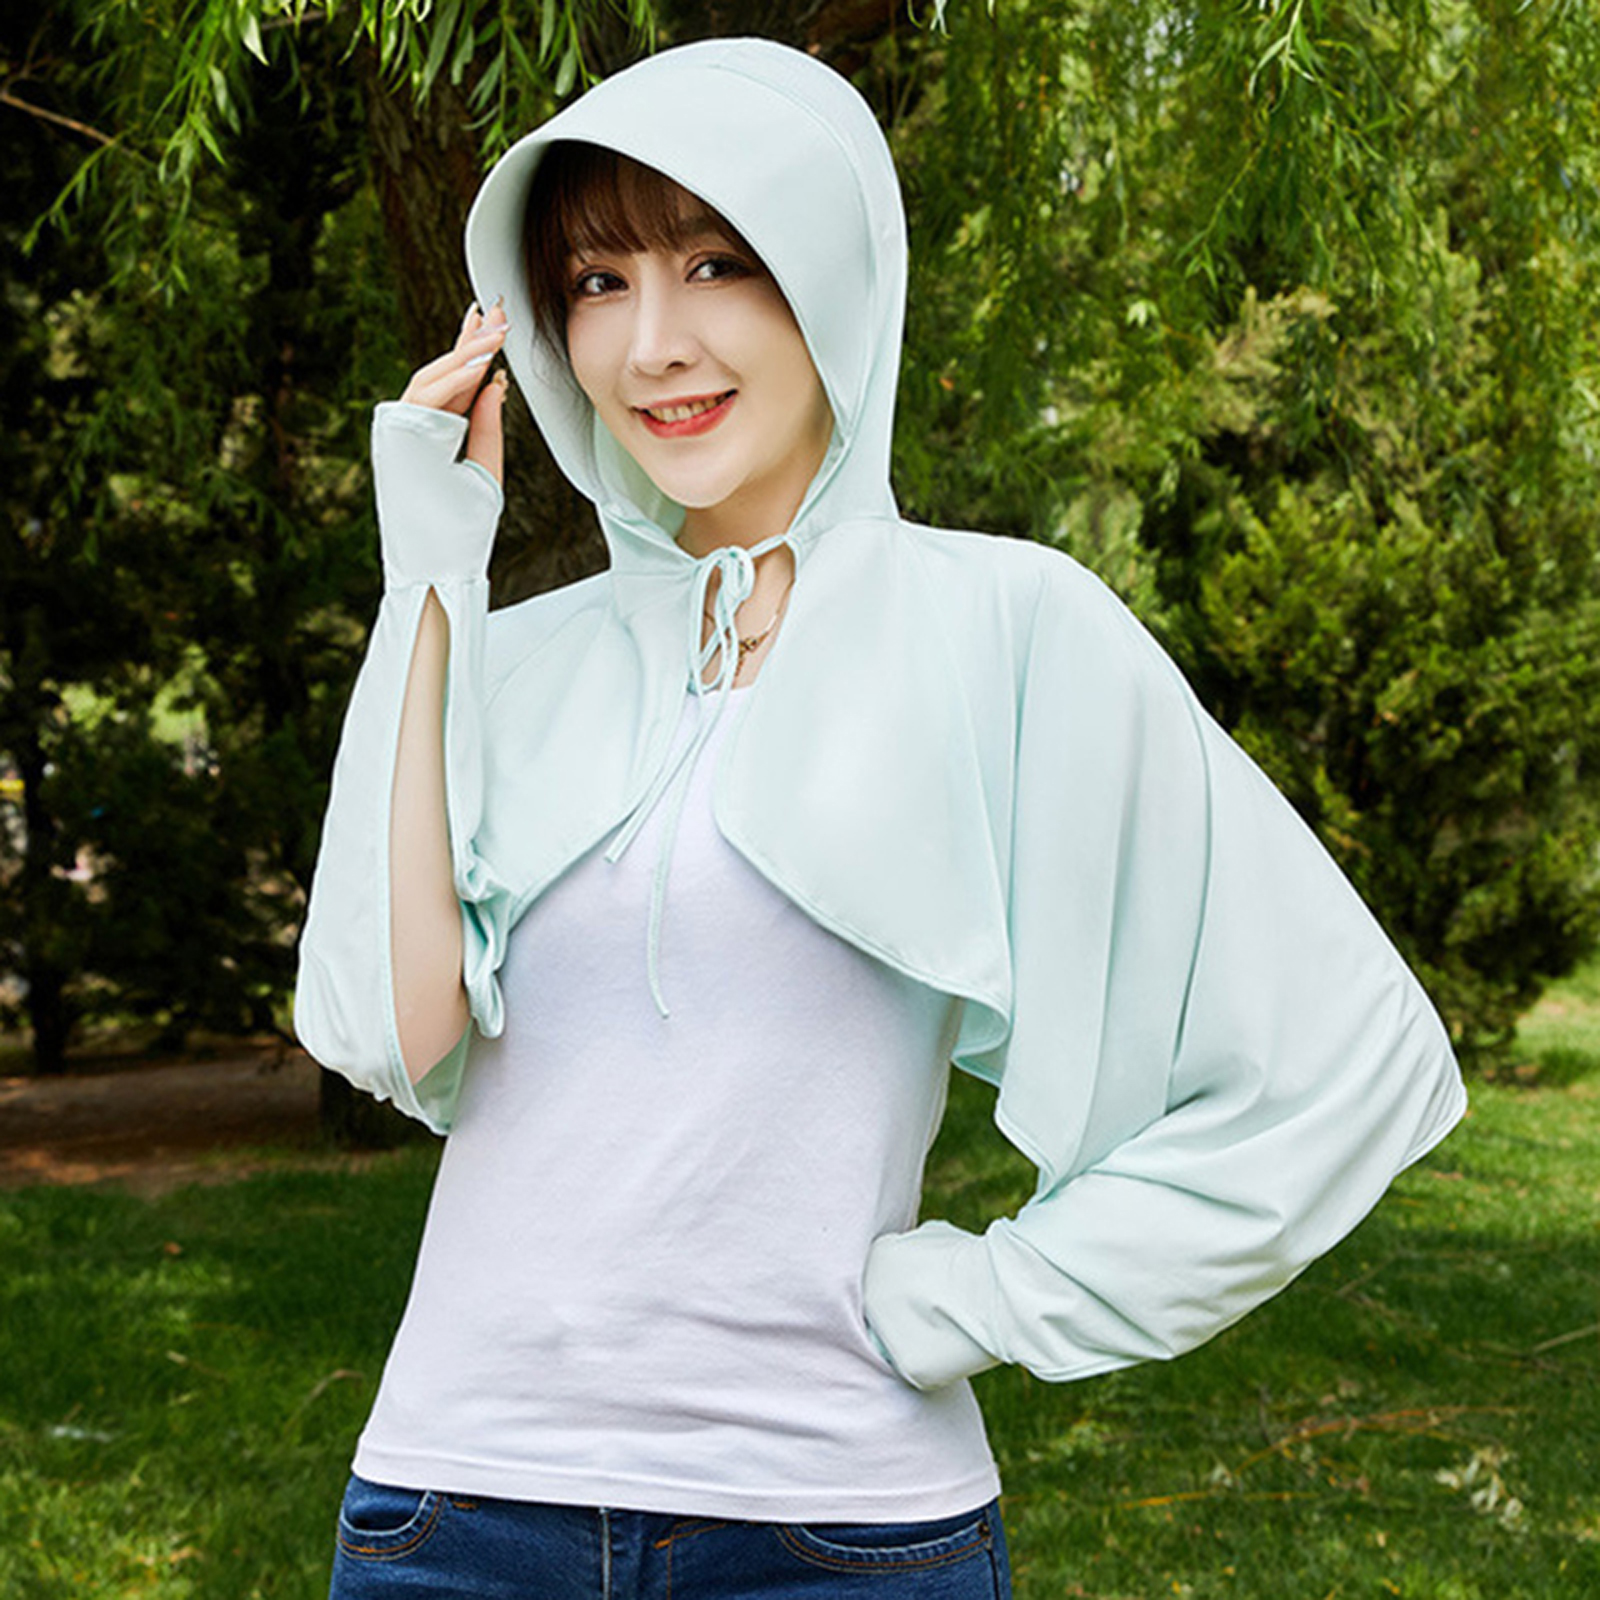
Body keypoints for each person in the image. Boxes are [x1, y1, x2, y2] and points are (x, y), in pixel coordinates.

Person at [294, 36, 1467, 1599]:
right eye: (596, 283)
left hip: (834, 1531)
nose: (654, 345)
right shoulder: (519, 657)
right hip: (455, 1512)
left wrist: (983, 1296)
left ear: (834, 275)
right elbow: (394, 1031)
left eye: (717, 263)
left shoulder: (1005, 627)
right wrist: (432, 578)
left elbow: (1339, 1065)